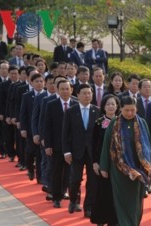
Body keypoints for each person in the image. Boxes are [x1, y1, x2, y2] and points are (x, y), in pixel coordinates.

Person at [100, 96, 151, 226]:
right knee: (122, 199)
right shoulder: (114, 124)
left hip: (138, 168)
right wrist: (104, 166)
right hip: (119, 167)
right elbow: (106, 146)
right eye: (126, 110)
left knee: (136, 199)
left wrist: (150, 166)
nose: (129, 113)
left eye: (132, 110)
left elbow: (148, 147)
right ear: (120, 109)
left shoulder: (141, 123)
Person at [62, 84, 100, 216]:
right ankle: (73, 200)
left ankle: (88, 207)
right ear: (77, 95)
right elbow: (65, 134)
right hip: (76, 151)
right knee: (75, 179)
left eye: (89, 93)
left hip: (92, 153)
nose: (87, 96)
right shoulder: (71, 111)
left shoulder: (97, 111)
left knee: (92, 181)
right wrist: (66, 151)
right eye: (84, 93)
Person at [44, 80, 78, 209]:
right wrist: (48, 145)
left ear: (71, 90)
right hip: (57, 145)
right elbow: (47, 126)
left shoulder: (76, 104)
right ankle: (56, 197)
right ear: (57, 90)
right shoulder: (51, 105)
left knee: (72, 173)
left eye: (67, 89)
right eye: (62, 89)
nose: (65, 91)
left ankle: (73, 198)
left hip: (74, 146)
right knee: (57, 172)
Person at [91, 94, 120, 226]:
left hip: (117, 163)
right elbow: (93, 144)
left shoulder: (121, 122)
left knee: (115, 191)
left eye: (113, 104)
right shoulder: (98, 123)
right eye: (108, 104)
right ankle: (100, 218)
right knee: (101, 190)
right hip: (102, 162)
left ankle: (113, 219)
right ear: (103, 106)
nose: (111, 106)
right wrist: (95, 162)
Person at [19, 73, 45, 182]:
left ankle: (40, 177)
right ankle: (30, 168)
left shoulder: (47, 96)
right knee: (30, 151)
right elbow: (23, 113)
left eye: (41, 81)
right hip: (31, 129)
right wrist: (23, 128)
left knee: (40, 154)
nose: (39, 84)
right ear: (31, 83)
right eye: (36, 81)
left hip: (43, 129)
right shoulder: (27, 96)